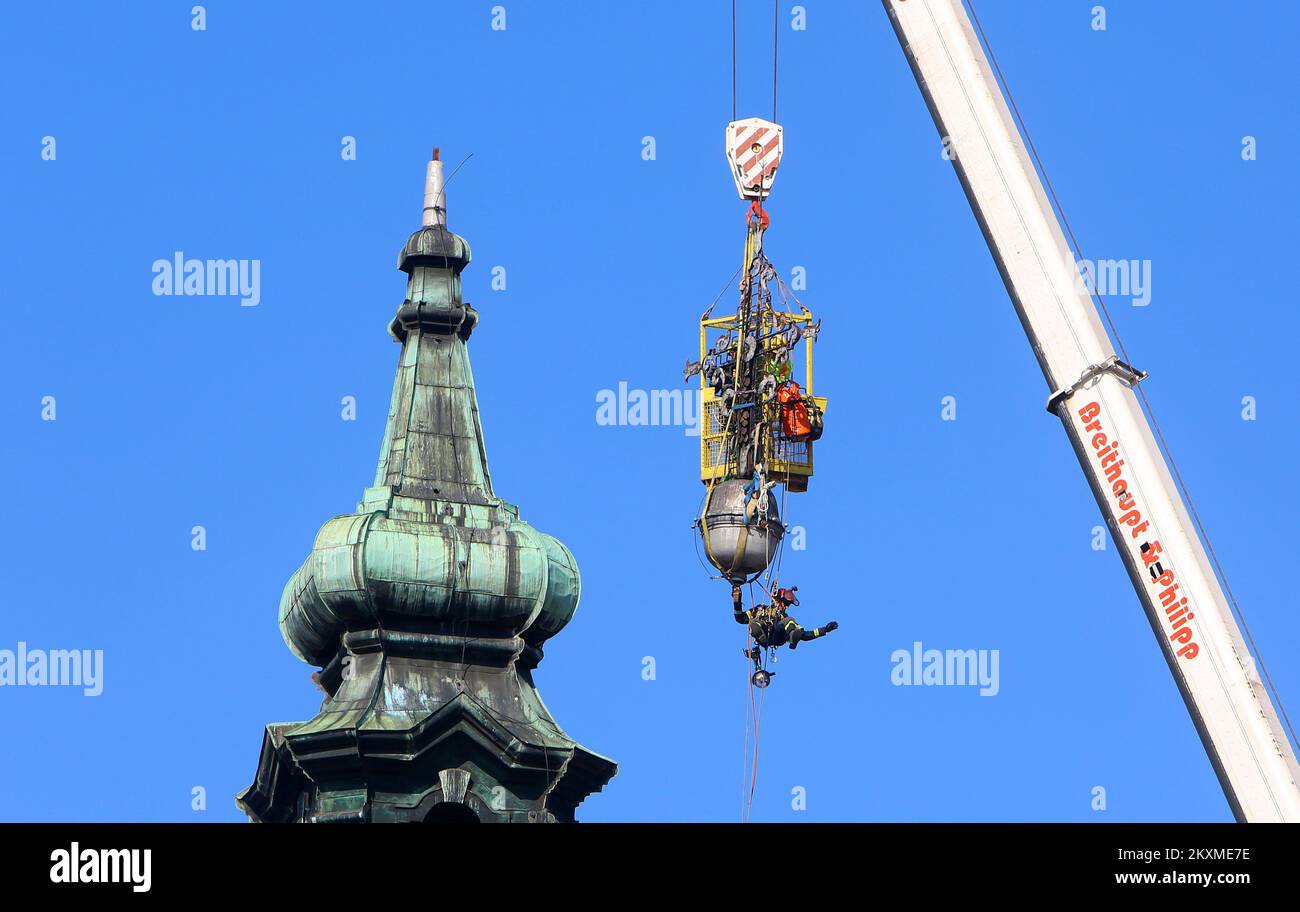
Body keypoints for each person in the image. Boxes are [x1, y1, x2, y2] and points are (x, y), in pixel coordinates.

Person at [732, 585, 837, 668]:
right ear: (777, 599)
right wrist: (737, 601)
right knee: (754, 623)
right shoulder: (760, 609)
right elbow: (740, 618)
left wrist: (825, 630)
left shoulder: (784, 618)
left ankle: (793, 637)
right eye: (785, 603)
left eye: (788, 605)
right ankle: (760, 634)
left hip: (777, 636)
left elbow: (805, 635)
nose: (786, 607)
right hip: (763, 635)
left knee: (790, 621)